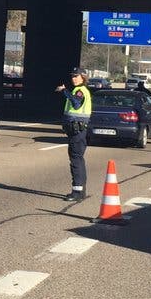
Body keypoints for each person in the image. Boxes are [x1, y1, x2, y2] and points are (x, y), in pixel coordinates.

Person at [56, 66, 92, 201]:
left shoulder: (80, 91)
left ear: (83, 77)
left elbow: (76, 104)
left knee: (76, 160)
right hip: (76, 131)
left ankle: (77, 192)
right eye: (72, 76)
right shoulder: (78, 90)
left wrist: (64, 91)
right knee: (78, 159)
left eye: (76, 76)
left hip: (78, 131)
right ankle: (80, 190)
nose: (73, 78)